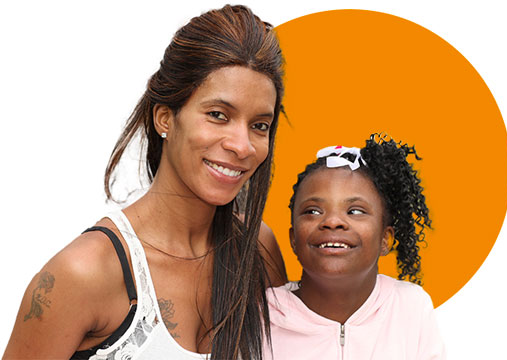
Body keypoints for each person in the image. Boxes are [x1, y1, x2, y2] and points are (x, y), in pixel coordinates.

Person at [3, 5, 287, 360]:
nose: (242, 145)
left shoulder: (258, 250)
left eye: (259, 125)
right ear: (165, 118)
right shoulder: (83, 275)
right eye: (218, 115)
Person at [264, 134, 446, 359]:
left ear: (385, 239)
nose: (332, 221)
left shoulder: (410, 306)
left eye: (355, 211)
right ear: (293, 239)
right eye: (313, 211)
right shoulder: (262, 315)